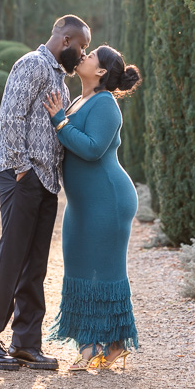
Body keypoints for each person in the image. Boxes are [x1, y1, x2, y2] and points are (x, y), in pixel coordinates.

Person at [0, 15, 91, 371]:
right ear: (66, 40)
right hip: (22, 175)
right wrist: (22, 167)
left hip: (46, 181)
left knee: (35, 265)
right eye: (82, 47)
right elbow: (10, 117)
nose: (83, 54)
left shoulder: (59, 80)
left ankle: (26, 344)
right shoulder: (33, 64)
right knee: (12, 257)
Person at [43, 44, 142, 371]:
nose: (81, 57)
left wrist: (59, 122)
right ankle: (90, 343)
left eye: (89, 57)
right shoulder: (78, 100)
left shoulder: (106, 104)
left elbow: (92, 149)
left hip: (108, 201)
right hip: (81, 205)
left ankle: (110, 345)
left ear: (100, 71)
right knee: (79, 272)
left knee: (105, 273)